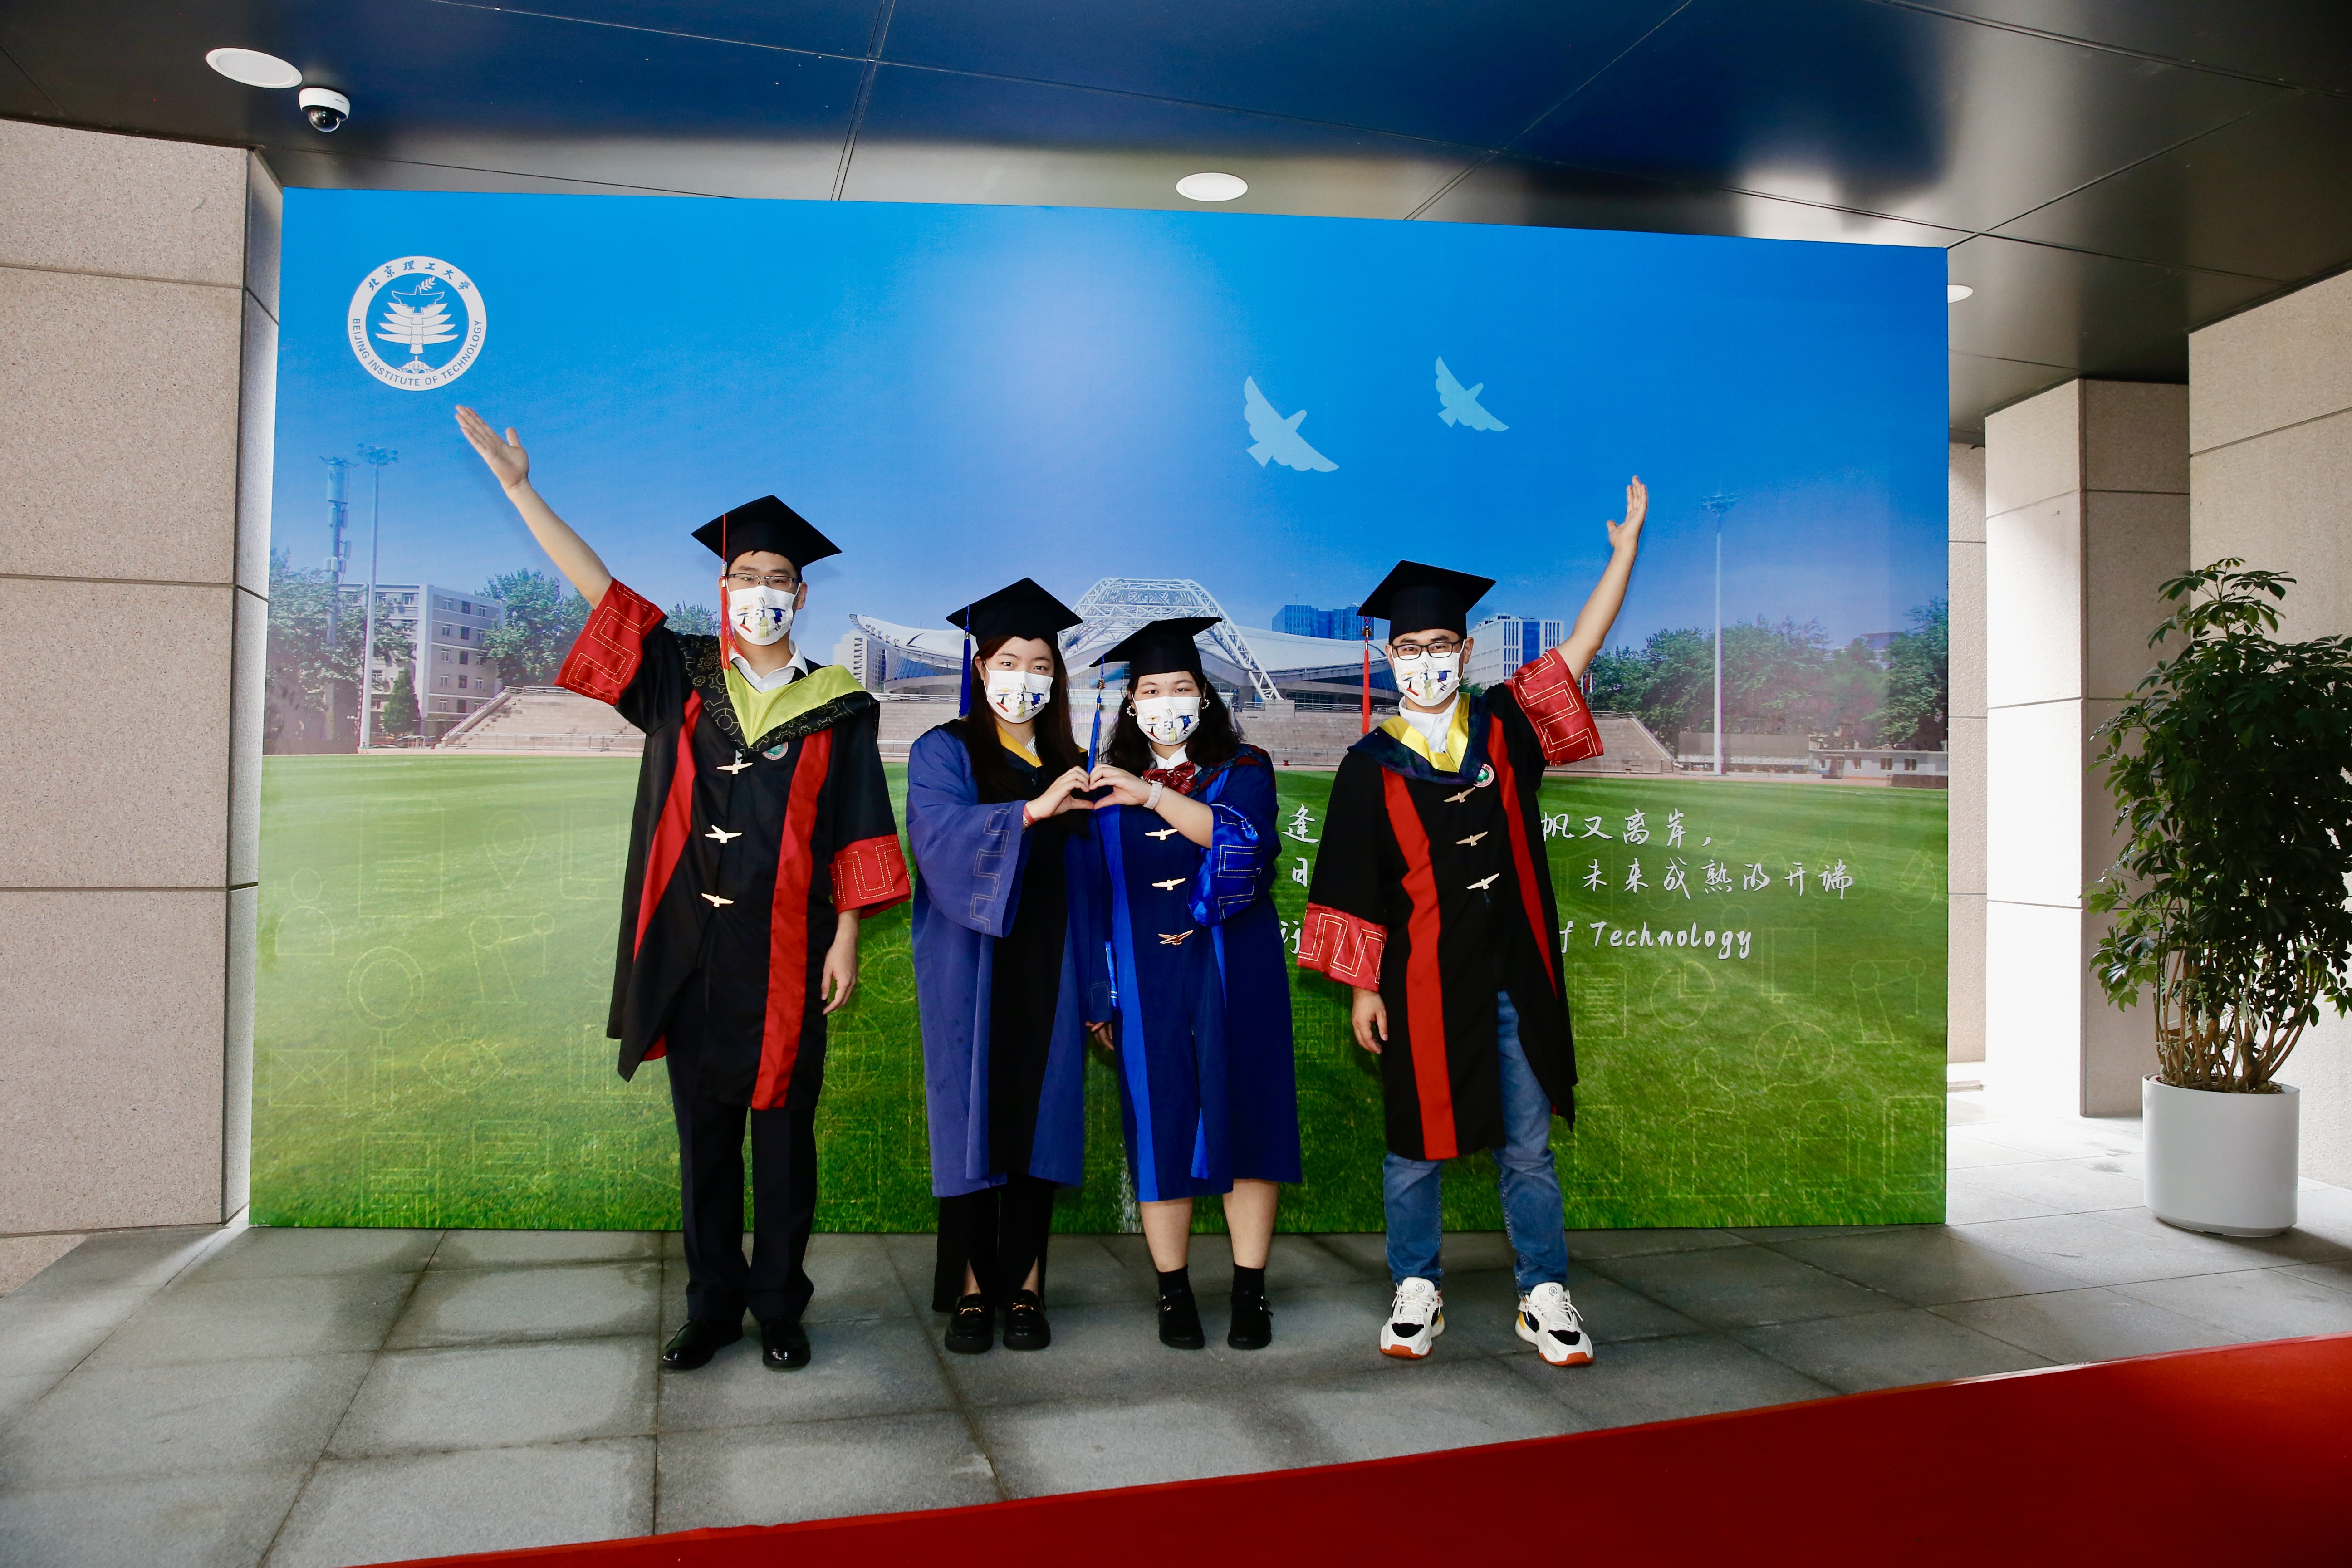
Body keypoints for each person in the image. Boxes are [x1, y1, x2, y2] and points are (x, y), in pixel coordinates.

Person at [453, 407, 909, 1374]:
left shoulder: (840, 706)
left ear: (801, 596)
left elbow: (859, 824)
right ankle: (712, 1306)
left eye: (777, 579)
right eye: (745, 577)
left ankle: (779, 1305)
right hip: (691, 949)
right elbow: (598, 589)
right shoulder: (681, 675)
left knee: (782, 1138)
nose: (760, 592)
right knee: (704, 1139)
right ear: (722, 588)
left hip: (787, 950)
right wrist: (522, 491)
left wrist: (846, 937)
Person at [1297, 478, 1647, 1368]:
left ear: (1466, 649)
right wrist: (1363, 988)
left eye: (1440, 646)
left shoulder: (1506, 726)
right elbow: (1352, 883)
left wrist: (1623, 554)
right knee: (1414, 1145)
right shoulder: (1369, 764)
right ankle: (1417, 1285)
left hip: (1513, 974)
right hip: (1419, 979)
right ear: (1390, 658)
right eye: (1409, 649)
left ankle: (1543, 1291)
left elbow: (1582, 646)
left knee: (1527, 1147)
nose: (1425, 661)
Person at [1082, 618, 1299, 1351]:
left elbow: (1247, 843)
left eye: (1181, 687)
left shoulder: (1244, 767)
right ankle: (1173, 1293)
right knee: (1160, 1120)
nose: (1166, 701)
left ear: (1205, 696)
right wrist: (1099, 988)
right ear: (1130, 702)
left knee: (1249, 1116)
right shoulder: (1098, 783)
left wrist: (1149, 797)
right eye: (1150, 689)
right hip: (1143, 975)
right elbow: (1090, 895)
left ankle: (1250, 1290)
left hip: (1238, 968)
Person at [907, 578, 1108, 1356]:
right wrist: (1030, 811)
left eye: (1041, 665)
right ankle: (970, 1289)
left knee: (1040, 1119)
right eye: (1009, 661)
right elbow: (938, 838)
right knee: (970, 1120)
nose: (1024, 677)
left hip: (1051, 963)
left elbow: (1092, 882)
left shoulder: (1072, 762)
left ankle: (1026, 1286)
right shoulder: (945, 750)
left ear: (1058, 678)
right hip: (972, 963)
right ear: (981, 667)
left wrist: (1097, 988)